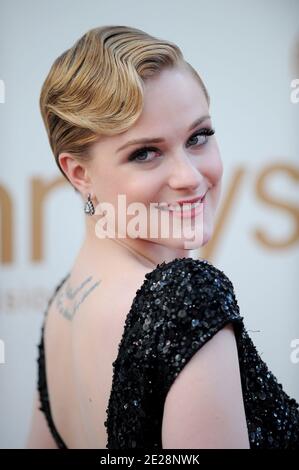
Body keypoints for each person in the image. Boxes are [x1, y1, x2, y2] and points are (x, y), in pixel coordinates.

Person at [26, 25, 299, 449]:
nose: (189, 177)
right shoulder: (186, 298)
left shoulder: (64, 306)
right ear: (79, 173)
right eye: (145, 153)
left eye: (198, 137)